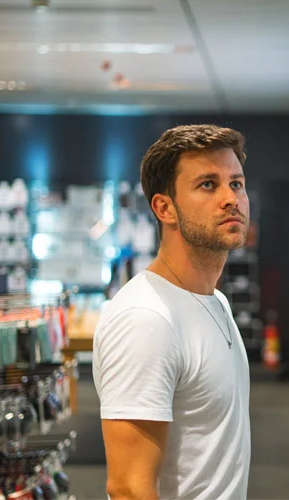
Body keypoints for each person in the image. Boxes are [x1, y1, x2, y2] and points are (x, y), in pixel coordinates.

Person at [93, 124, 251, 499]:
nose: (231, 198)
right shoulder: (146, 319)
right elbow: (129, 488)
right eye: (208, 185)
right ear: (164, 208)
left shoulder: (215, 300)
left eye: (237, 183)